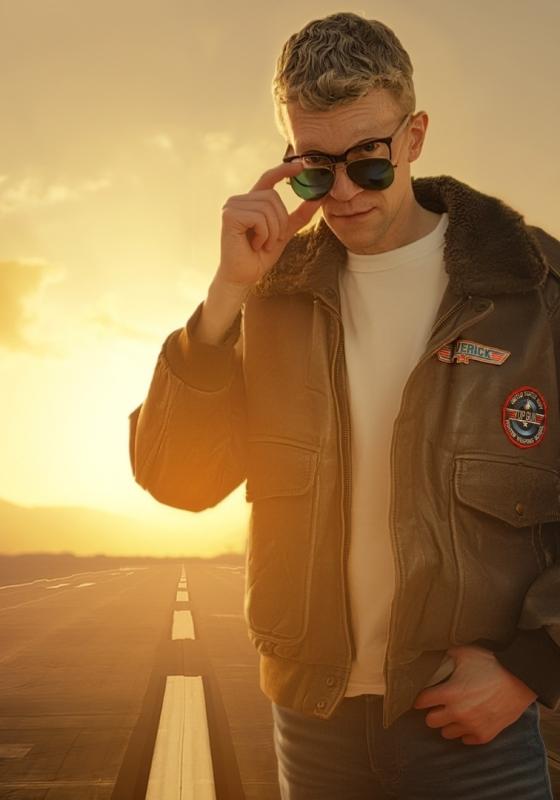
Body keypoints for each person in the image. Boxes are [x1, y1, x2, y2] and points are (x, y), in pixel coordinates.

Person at [128, 11, 560, 799]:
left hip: (470, 731)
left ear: (415, 136)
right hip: (313, 724)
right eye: (315, 169)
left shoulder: (534, 292)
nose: (345, 192)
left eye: (368, 161)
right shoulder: (271, 300)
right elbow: (176, 480)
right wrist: (228, 293)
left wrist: (531, 668)